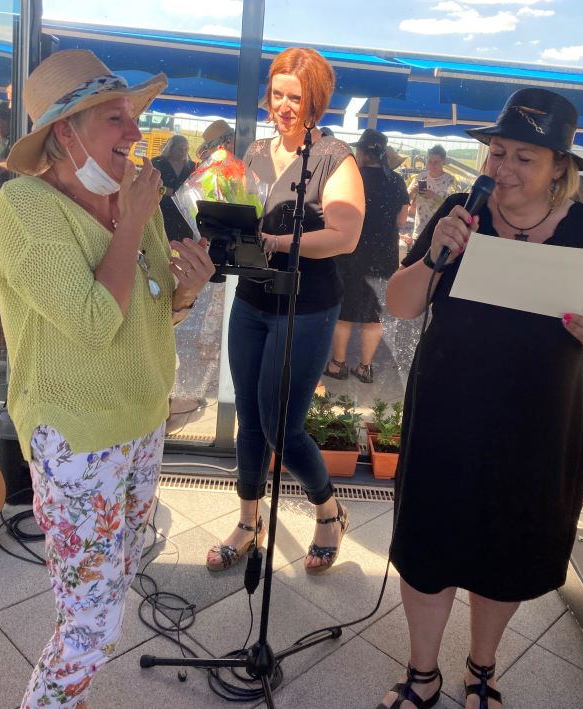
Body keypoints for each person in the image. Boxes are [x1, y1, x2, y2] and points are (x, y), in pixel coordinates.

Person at [378, 87, 583, 709]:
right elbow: (400, 303)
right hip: (448, 410)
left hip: (540, 421)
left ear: (559, 170)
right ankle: (422, 673)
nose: (503, 167)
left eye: (526, 157)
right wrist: (438, 256)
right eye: (497, 152)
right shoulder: (459, 211)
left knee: (510, 543)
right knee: (430, 540)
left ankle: (481, 668)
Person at [0, 49, 215, 708]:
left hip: (141, 421)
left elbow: (146, 312)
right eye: (115, 117)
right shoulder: (22, 208)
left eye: (132, 116)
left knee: (110, 580)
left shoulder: (129, 195)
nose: (134, 132)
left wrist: (185, 292)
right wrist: (132, 219)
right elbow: (92, 324)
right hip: (77, 432)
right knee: (94, 623)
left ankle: (72, 694)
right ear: (65, 131)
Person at [205, 47, 364, 574]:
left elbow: (345, 235)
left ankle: (327, 508)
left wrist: (273, 240)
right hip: (251, 298)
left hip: (306, 307)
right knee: (249, 420)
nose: (284, 106)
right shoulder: (252, 153)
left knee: (281, 425)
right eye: (277, 95)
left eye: (295, 97)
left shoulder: (334, 157)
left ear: (314, 99)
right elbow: (242, 220)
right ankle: (248, 523)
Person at [324, 129, 408, 384]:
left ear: (360, 152)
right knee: (373, 313)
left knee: (345, 310)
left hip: (350, 252)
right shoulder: (396, 181)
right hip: (384, 255)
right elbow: (402, 220)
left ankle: (338, 365)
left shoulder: (350, 178)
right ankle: (365, 367)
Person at [151, 134, 195, 241]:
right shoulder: (157, 163)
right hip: (161, 212)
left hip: (184, 215)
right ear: (170, 148)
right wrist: (165, 190)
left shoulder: (192, 166)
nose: (184, 152)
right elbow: (150, 186)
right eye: (180, 149)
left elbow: (195, 189)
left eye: (186, 149)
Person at [408, 143, 455, 238]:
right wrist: (413, 191)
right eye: (430, 161)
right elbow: (405, 198)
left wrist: (434, 196)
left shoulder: (450, 180)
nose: (432, 165)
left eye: (436, 162)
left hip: (439, 232)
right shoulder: (420, 177)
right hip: (419, 231)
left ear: (443, 162)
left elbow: (452, 207)